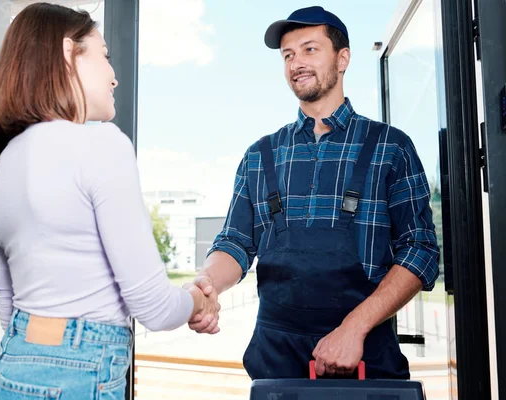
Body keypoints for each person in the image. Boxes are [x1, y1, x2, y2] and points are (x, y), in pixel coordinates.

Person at [0, 3, 218, 399]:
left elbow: (8, 309)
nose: (114, 77)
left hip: (7, 367)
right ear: (70, 53)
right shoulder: (102, 145)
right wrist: (198, 300)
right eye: (104, 56)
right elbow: (153, 307)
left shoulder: (5, 165)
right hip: (79, 373)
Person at [185, 6, 439, 380]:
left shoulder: (391, 148)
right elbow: (235, 244)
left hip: (366, 353)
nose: (296, 63)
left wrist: (354, 327)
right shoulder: (261, 155)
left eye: (309, 49)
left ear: (343, 58)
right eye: (288, 55)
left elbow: (420, 251)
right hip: (276, 357)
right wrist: (206, 286)